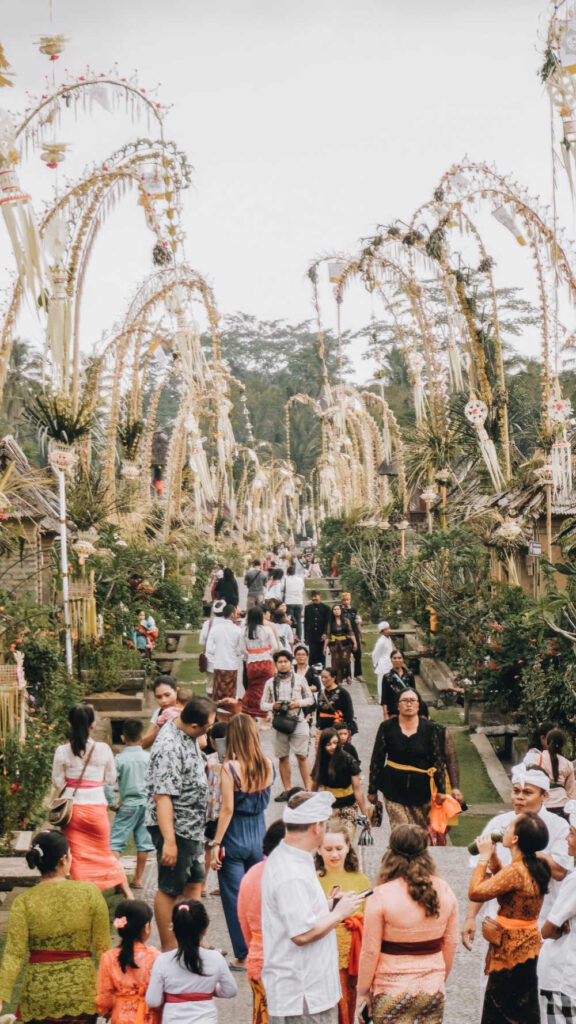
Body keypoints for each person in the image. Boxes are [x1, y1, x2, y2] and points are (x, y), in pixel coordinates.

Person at [261, 791, 363, 1024]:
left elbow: (296, 913)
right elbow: (301, 933)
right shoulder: (292, 872)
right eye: (325, 824)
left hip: (307, 991)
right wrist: (339, 913)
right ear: (316, 827)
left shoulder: (295, 857)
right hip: (303, 994)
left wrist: (325, 907)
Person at [0, 829, 111, 1023]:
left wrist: (1, 995)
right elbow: (104, 949)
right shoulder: (90, 892)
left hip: (39, 995)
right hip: (81, 992)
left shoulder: (24, 901)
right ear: (63, 859)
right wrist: (113, 990)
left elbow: (13, 954)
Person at [461, 763, 571, 952]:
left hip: (541, 922)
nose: (519, 797)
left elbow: (560, 871)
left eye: (527, 792)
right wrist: (470, 917)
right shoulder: (499, 823)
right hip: (498, 922)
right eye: (516, 791)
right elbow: (490, 876)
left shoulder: (559, 826)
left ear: (544, 796)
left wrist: (528, 848)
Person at [357, 823, 458, 1024]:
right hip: (432, 987)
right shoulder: (444, 890)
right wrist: (440, 977)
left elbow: (370, 951)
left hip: (390, 989)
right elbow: (451, 942)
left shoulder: (381, 895)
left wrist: (362, 991)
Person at [146, 696, 217, 950]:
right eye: (208, 727)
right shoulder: (168, 747)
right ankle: (170, 948)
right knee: (170, 887)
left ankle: (192, 941)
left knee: (195, 880)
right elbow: (162, 796)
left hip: (193, 827)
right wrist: (169, 842)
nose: (209, 731)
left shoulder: (186, 732)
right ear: (195, 725)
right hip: (176, 826)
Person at [469, 812, 551, 1024]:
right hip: (529, 945)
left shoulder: (516, 870)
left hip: (509, 952)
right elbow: (507, 884)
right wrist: (495, 860)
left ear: (515, 839)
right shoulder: (535, 865)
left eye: (509, 827)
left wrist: (484, 858)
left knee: (501, 1010)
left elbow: (476, 892)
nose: (504, 828)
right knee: (522, 1008)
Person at [209, 714, 275, 970]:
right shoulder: (267, 764)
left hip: (234, 834)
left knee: (235, 897)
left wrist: (216, 843)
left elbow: (226, 809)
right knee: (259, 895)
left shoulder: (230, 768)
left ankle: (244, 954)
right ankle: (265, 947)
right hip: (259, 834)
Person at [52, 704, 131, 896]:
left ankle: (85, 894)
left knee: (77, 857)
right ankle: (127, 892)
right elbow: (111, 779)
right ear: (93, 725)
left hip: (73, 811)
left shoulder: (62, 751)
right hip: (96, 808)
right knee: (105, 853)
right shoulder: (103, 749)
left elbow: (57, 781)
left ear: (70, 724)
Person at [146, 900, 237, 1022]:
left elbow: (153, 1000)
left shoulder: (163, 961)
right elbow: (230, 991)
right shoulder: (216, 958)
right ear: (204, 929)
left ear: (173, 930)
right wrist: (212, 989)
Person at [368, 689, 446, 833]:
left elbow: (437, 759)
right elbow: (377, 759)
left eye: (412, 701)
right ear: (398, 705)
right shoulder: (387, 727)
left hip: (422, 789)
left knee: (418, 833)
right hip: (393, 787)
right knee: (401, 830)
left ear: (418, 705)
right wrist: (372, 789)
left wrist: (441, 790)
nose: (408, 704)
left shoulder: (430, 728)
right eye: (404, 701)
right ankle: (398, 854)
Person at [315, 820, 370, 1024]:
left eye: (339, 848)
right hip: (324, 953)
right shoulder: (313, 880)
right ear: (319, 850)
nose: (335, 854)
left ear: (348, 847)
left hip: (353, 955)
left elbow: (370, 916)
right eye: (328, 849)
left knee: (349, 1000)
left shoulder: (360, 879)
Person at [238, 820, 287, 1024]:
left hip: (257, 954)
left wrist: (254, 946)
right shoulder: (286, 876)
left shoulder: (252, 873)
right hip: (282, 961)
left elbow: (243, 920)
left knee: (261, 1013)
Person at [106, 718, 155, 888]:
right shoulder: (149, 757)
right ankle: (138, 878)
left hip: (127, 805)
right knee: (144, 843)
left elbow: (109, 782)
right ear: (142, 737)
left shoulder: (119, 759)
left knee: (116, 842)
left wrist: (112, 802)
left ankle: (115, 879)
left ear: (123, 738)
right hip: (147, 805)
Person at [539, 798, 576, 1023]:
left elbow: (548, 929)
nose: (566, 838)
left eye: (571, 833)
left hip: (564, 975)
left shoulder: (573, 881)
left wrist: (554, 927)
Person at [261, 649, 314, 799]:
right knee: (283, 757)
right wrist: (274, 706)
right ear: (276, 664)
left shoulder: (300, 679)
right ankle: (287, 790)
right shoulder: (270, 683)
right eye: (280, 662)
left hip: (298, 720)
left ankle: (308, 789)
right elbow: (262, 704)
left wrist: (297, 703)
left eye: (286, 661)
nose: (283, 664)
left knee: (302, 756)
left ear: (291, 663)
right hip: (279, 722)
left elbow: (310, 699)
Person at [97, 900, 160, 1024]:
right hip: (148, 1016)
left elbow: (104, 998)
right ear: (147, 927)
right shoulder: (155, 956)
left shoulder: (108, 958)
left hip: (120, 1017)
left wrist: (105, 1010)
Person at [311, 728, 369, 827]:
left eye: (335, 743)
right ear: (323, 746)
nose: (333, 747)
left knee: (346, 839)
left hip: (348, 806)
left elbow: (358, 790)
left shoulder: (349, 760)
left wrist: (364, 817)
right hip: (327, 807)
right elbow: (314, 788)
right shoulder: (321, 761)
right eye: (328, 744)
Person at [524, 728, 576, 815]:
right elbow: (571, 793)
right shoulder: (567, 764)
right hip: (562, 806)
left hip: (542, 805)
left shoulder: (537, 760)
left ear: (547, 742)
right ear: (563, 745)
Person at [240, 605, 278, 721]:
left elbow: (242, 649)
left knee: (253, 688)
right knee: (267, 688)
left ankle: (251, 711)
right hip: (266, 662)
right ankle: (265, 715)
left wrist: (251, 655)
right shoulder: (267, 630)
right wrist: (267, 653)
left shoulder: (245, 631)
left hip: (252, 663)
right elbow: (275, 647)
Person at [206, 603, 241, 704]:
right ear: (232, 615)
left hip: (218, 665)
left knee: (218, 694)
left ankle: (217, 715)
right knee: (230, 694)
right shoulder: (237, 630)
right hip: (231, 666)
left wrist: (216, 658)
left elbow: (209, 650)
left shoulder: (215, 629)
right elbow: (239, 650)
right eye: (236, 613)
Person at [142, 675, 182, 750]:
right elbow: (144, 744)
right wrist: (159, 728)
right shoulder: (160, 712)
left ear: (176, 691)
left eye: (167, 695)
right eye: (159, 697)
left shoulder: (188, 710)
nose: (164, 700)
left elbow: (202, 742)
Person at [315, 666, 355, 737]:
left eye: (326, 677)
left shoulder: (343, 693)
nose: (323, 680)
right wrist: (318, 725)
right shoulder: (320, 693)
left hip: (337, 729)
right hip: (322, 728)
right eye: (322, 677)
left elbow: (349, 714)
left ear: (333, 678)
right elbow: (318, 712)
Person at [380, 650, 418, 719]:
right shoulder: (387, 677)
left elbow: (414, 695)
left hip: (408, 712)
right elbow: (384, 698)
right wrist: (385, 715)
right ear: (391, 660)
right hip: (393, 713)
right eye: (394, 658)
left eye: (399, 658)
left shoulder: (409, 675)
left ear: (403, 660)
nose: (397, 660)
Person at [324, 604, 356, 685]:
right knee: (336, 662)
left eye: (338, 609)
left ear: (341, 610)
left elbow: (351, 632)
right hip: (334, 644)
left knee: (346, 660)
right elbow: (328, 635)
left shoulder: (346, 621)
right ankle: (338, 679)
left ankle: (347, 675)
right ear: (332, 611)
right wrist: (324, 647)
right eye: (334, 609)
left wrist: (355, 643)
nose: (336, 611)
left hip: (345, 643)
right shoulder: (330, 622)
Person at [199, 604, 226, 696]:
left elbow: (202, 641)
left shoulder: (208, 624)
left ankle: (210, 703)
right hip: (224, 659)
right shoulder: (228, 624)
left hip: (210, 659)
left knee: (210, 684)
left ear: (213, 612)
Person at [340, 593, 363, 682]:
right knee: (346, 656)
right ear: (342, 601)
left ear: (350, 600)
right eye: (344, 600)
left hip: (355, 635)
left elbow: (358, 623)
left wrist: (361, 636)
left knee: (358, 654)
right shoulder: (340, 611)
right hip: (344, 635)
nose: (346, 602)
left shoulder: (354, 610)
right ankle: (347, 675)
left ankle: (358, 674)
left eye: (347, 600)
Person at [304, 591, 331, 667]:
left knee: (322, 655)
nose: (314, 598)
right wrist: (306, 637)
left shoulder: (326, 608)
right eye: (313, 596)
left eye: (316, 596)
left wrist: (325, 633)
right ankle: (312, 673)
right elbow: (306, 623)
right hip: (312, 636)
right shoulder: (308, 608)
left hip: (321, 636)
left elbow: (327, 623)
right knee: (312, 656)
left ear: (319, 596)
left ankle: (322, 672)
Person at [371, 622, 393, 701]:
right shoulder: (381, 641)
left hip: (390, 663)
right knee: (381, 682)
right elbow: (375, 654)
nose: (388, 630)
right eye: (386, 629)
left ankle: (388, 698)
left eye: (388, 628)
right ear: (382, 631)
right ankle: (381, 699)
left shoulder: (388, 639)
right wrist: (375, 664)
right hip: (382, 664)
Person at [284, 566, 305, 640]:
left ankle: (290, 637)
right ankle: (298, 637)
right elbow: (302, 588)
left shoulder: (285, 579)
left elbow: (282, 589)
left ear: (287, 573)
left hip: (289, 602)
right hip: (299, 602)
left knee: (289, 620)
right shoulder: (300, 580)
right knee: (298, 620)